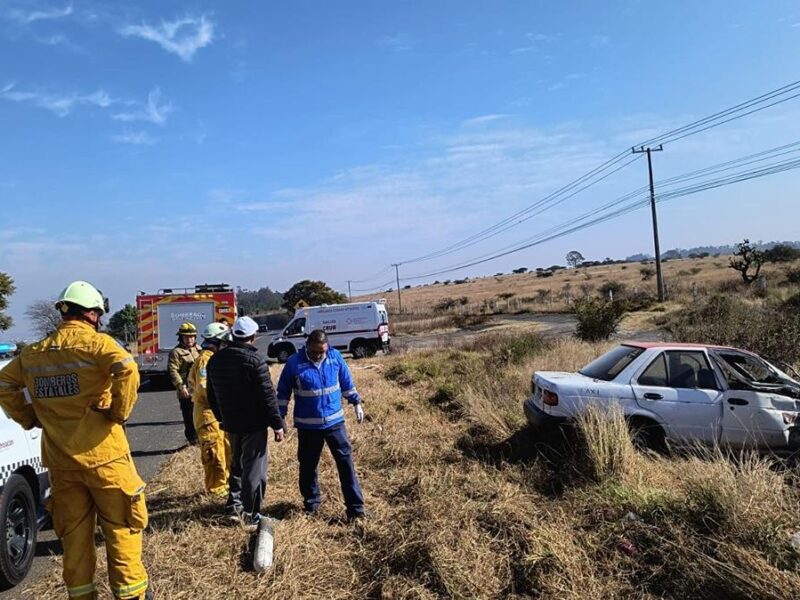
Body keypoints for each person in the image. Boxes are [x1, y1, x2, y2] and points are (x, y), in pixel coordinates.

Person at [0, 281, 151, 600]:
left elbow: (3, 384)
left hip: (62, 465)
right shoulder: (98, 345)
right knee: (121, 531)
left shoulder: (34, 353)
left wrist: (30, 416)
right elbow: (127, 369)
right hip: (106, 460)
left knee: (75, 541)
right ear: (93, 314)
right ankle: (131, 595)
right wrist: (117, 412)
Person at [276, 329, 366, 521]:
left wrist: (356, 402)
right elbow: (282, 393)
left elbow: (346, 383)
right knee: (308, 466)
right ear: (307, 345)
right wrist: (280, 418)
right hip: (308, 427)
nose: (319, 355)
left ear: (328, 348)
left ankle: (356, 509)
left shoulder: (334, 357)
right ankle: (312, 504)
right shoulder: (294, 363)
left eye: (322, 351)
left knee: (346, 464)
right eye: (315, 351)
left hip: (335, 423)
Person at [206, 316, 284, 529]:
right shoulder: (255, 361)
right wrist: (277, 424)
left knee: (236, 465)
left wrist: (221, 417)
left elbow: (211, 395)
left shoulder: (216, 360)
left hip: (231, 423)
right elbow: (267, 396)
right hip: (253, 424)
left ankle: (235, 505)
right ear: (254, 336)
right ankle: (252, 514)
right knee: (254, 469)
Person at [188, 323, 232, 498]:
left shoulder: (213, 357)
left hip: (216, 412)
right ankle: (216, 489)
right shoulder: (206, 360)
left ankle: (226, 484)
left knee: (225, 449)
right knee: (213, 452)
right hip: (208, 413)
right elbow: (205, 390)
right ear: (217, 341)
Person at [168, 322, 200, 445]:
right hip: (186, 390)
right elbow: (173, 370)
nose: (189, 339)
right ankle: (192, 440)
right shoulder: (176, 352)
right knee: (189, 416)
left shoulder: (199, 349)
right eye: (186, 337)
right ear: (181, 338)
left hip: (200, 389)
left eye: (192, 336)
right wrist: (181, 387)